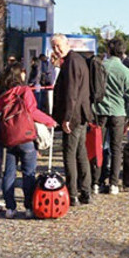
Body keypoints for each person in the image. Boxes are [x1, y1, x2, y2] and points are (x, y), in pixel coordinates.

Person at [0, 62, 56, 218]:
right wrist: (50, 121)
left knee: (9, 173)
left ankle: (10, 207)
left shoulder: (1, 95)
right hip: (25, 137)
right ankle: (29, 207)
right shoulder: (24, 91)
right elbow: (32, 111)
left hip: (9, 138)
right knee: (28, 173)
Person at [50, 34, 94, 206]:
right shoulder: (75, 60)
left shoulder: (72, 62)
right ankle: (85, 191)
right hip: (79, 113)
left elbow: (72, 92)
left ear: (67, 44)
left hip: (74, 116)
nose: (56, 50)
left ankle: (74, 192)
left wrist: (67, 118)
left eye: (59, 46)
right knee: (80, 152)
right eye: (54, 47)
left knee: (70, 154)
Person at [92, 39, 129, 194]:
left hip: (99, 111)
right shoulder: (126, 72)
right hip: (118, 113)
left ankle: (96, 181)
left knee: (98, 146)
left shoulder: (100, 68)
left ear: (108, 51)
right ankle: (113, 183)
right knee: (116, 148)